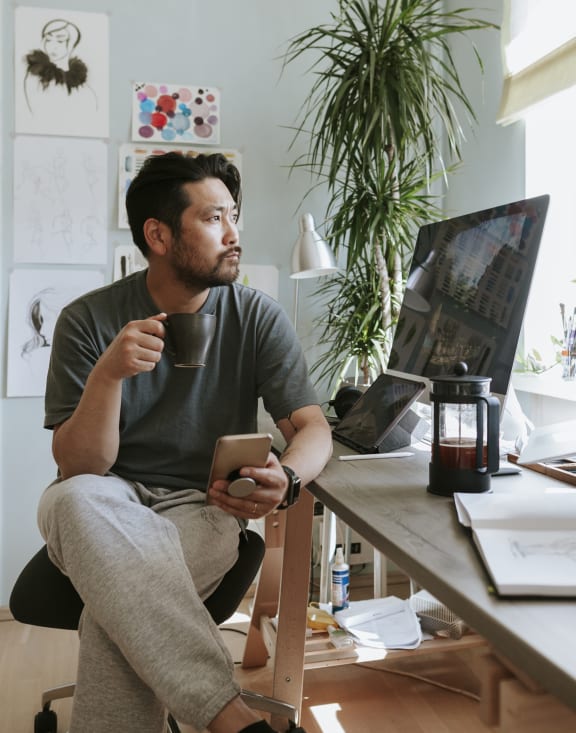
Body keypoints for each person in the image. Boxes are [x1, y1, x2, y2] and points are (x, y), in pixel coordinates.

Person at [37, 152, 333, 733]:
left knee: (116, 617)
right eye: (214, 218)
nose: (234, 233)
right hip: (99, 504)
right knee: (75, 500)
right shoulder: (87, 321)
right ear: (159, 235)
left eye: (234, 216)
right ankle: (229, 715)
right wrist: (108, 376)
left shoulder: (257, 319)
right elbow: (79, 468)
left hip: (204, 506)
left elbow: (313, 428)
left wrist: (289, 478)